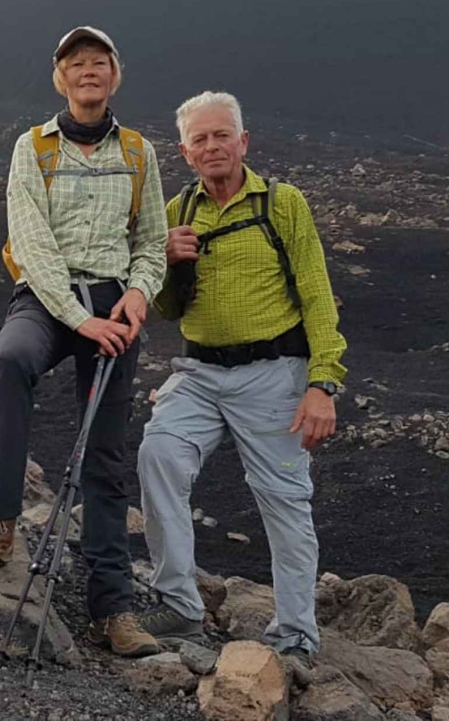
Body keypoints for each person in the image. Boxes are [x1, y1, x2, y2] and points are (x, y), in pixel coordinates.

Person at [0, 26, 167, 658]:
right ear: (61, 79)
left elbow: (152, 240)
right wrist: (78, 318)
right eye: (77, 64)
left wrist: (139, 292)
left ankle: (112, 609)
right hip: (48, 300)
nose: (88, 71)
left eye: (99, 63)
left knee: (103, 450)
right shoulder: (32, 148)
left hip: (114, 302)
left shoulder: (138, 153)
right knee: (12, 359)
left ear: (114, 75)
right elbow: (32, 243)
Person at [137, 91, 343, 669]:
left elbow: (317, 297)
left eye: (222, 135)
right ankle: (178, 603)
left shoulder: (282, 205)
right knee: (159, 455)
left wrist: (322, 382)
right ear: (184, 152)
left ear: (243, 141)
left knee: (283, 499)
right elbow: (169, 311)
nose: (212, 146)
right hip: (199, 372)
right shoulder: (177, 212)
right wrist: (168, 262)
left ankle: (296, 633)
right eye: (200, 139)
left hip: (275, 374)